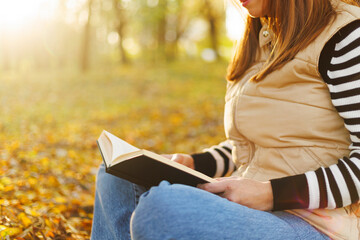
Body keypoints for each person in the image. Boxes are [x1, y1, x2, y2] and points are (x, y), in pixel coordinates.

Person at [91, 0, 360, 239]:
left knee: (162, 208)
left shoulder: (344, 35)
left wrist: (269, 193)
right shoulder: (260, 36)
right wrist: (197, 162)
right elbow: (254, 146)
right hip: (250, 208)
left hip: (315, 223)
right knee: (116, 176)